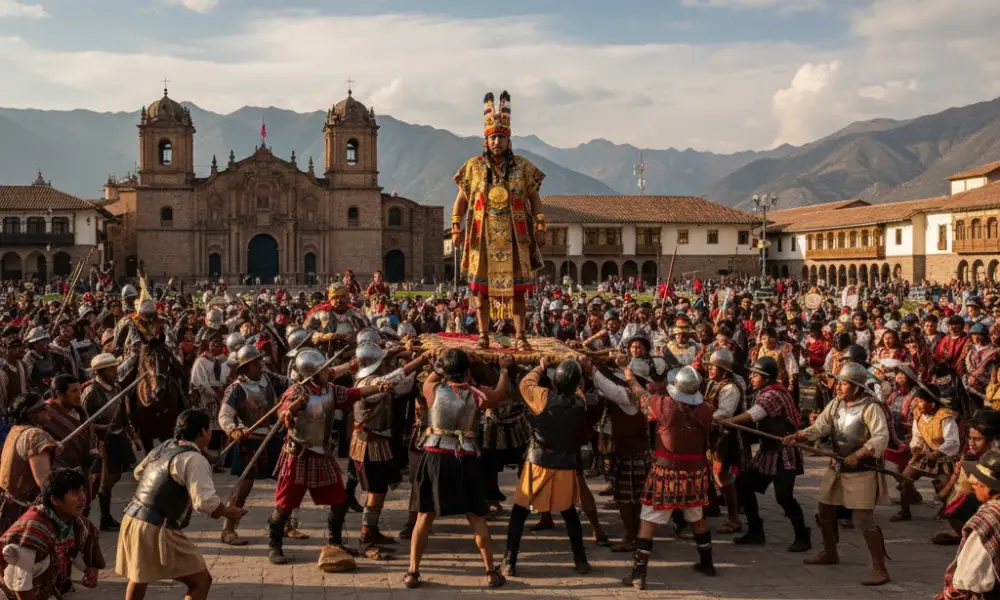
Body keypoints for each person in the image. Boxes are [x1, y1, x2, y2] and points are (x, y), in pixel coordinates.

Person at [267, 349, 389, 568]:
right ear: (312, 374)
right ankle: (274, 544)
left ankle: (336, 543)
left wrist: (378, 386)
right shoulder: (296, 392)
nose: (329, 372)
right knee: (285, 504)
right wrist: (290, 410)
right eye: (324, 370)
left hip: (322, 454)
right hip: (299, 455)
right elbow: (285, 412)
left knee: (340, 501)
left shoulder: (330, 390)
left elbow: (354, 394)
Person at [405, 349, 513, 589]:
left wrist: (440, 361)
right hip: (465, 458)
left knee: (424, 516)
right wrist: (504, 368)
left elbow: (432, 376)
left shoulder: (432, 390)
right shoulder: (477, 395)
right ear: (467, 371)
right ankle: (490, 572)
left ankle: (413, 571)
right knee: (477, 517)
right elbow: (499, 394)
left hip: (434, 457)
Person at [116, 408, 247, 600]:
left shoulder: (165, 446)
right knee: (200, 581)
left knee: (138, 577)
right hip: (157, 527)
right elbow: (205, 503)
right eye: (209, 429)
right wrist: (228, 512)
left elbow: (138, 473)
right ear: (203, 431)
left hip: (133, 518)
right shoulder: (193, 459)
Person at [451, 90, 546, 351]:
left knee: (517, 292)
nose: (496, 142)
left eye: (501, 138)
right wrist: (456, 227)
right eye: (492, 137)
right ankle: (483, 335)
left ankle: (520, 336)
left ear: (508, 140)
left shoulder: (524, 167)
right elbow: (460, 200)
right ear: (486, 139)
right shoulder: (472, 167)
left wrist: (539, 225)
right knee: (480, 292)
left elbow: (535, 198)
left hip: (516, 238)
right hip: (482, 238)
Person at [784, 361, 892, 586]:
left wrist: (860, 454)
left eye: (844, 383)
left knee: (863, 518)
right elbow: (819, 428)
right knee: (824, 507)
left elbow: (881, 438)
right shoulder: (835, 405)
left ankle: (880, 568)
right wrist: (799, 436)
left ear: (856, 387)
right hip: (838, 466)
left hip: (862, 470)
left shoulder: (870, 407)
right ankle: (830, 551)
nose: (838, 387)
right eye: (839, 383)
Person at [620, 365, 717, 590]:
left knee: (649, 520)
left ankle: (638, 574)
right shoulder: (707, 410)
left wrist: (629, 377)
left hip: (667, 471)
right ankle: (707, 563)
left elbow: (639, 394)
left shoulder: (664, 405)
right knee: (696, 515)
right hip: (695, 471)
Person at [502, 357, 593, 577]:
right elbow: (576, 388)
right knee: (569, 512)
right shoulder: (581, 401)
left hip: (539, 462)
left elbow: (526, 384)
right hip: (565, 464)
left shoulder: (543, 398)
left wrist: (540, 366)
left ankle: (509, 561)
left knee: (520, 512)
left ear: (554, 383)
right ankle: (580, 560)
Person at [724, 356, 810, 551]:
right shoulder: (764, 391)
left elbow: (753, 415)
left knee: (783, 497)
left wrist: (727, 421)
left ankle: (803, 536)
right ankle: (755, 531)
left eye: (756, 375)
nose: (752, 377)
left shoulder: (774, 395)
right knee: (744, 484)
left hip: (784, 452)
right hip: (768, 451)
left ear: (767, 378)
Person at [217, 345, 292, 546]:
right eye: (257, 362)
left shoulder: (271, 379)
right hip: (248, 440)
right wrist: (233, 429)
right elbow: (224, 415)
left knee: (286, 484)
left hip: (272, 438)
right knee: (242, 488)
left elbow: (294, 386)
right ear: (247, 367)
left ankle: (284, 524)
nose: (261, 364)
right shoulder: (237, 388)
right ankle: (228, 529)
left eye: (260, 360)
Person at [0, 469, 104, 600]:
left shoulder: (70, 520)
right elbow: (20, 584)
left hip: (43, 588)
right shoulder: (32, 535)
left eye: (82, 490)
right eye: (74, 493)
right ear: (55, 499)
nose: (82, 498)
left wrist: (87, 569)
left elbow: (69, 548)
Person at [82, 352, 137, 532]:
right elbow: (85, 423)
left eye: (115, 367)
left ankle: (105, 513)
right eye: (111, 369)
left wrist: (133, 437)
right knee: (106, 480)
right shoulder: (91, 393)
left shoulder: (116, 387)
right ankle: (104, 517)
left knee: (116, 475)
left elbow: (123, 416)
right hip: (103, 441)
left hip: (118, 436)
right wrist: (100, 428)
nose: (115, 371)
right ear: (100, 371)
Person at [936, 449, 1000, 599]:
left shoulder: (989, 518)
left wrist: (952, 593)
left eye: (979, 479)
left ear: (990, 486)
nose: (972, 482)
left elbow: (971, 576)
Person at [894, 384, 961, 522]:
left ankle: (946, 510)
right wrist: (916, 448)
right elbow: (916, 437)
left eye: (921, 401)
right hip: (924, 455)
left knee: (945, 486)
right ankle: (904, 511)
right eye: (917, 401)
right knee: (905, 478)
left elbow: (953, 442)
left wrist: (936, 453)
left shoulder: (945, 417)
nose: (917, 405)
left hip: (944, 457)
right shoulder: (918, 415)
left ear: (932, 402)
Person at [0, 393, 57, 534]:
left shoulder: (16, 430)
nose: (48, 410)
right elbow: (45, 482)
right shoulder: (35, 435)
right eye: (43, 408)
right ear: (31, 415)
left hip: (9, 506)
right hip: (26, 512)